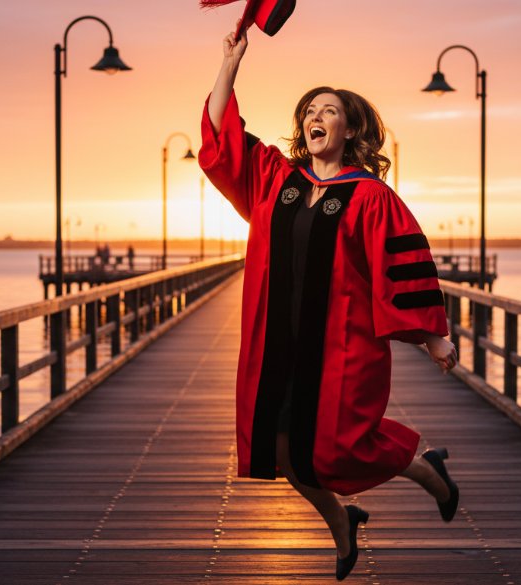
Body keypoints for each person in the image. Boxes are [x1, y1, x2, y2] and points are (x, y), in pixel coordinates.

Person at [200, 25, 460, 581]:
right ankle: (342, 523)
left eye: (329, 110)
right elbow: (221, 144)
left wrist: (432, 334)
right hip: (277, 346)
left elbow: (401, 266)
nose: (315, 116)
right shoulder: (275, 181)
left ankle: (426, 471)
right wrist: (230, 64)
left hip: (342, 346)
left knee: (338, 449)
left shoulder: (370, 197)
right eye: (309, 110)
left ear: (350, 128)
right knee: (283, 449)